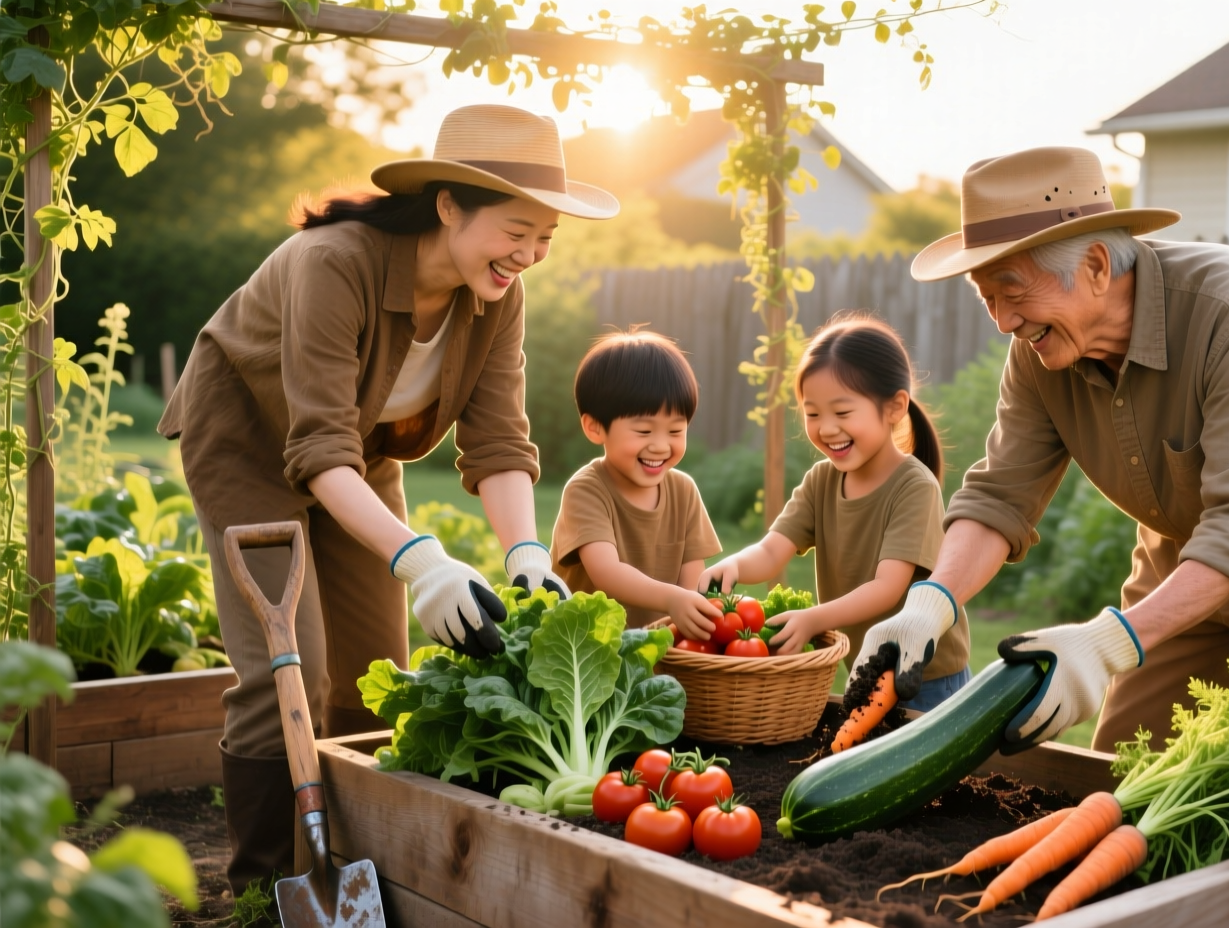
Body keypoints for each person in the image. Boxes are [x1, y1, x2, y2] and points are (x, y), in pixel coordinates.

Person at [158, 104, 618, 893]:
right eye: (517, 230)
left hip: (358, 452)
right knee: (283, 672)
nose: (531, 254)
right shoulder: (334, 260)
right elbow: (315, 445)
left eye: (546, 237)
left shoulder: (496, 296)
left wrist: (527, 554)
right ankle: (264, 888)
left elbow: (500, 440)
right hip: (247, 444)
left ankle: (360, 863)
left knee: (377, 669)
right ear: (449, 205)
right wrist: (422, 559)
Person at [850, 146, 1229, 747]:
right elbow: (1001, 496)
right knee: (1120, 763)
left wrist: (1107, 643)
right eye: (987, 298)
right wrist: (930, 602)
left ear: (1098, 266)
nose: (1002, 321)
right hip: (1182, 547)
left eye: (1012, 291)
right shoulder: (1039, 353)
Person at [699, 315, 970, 711]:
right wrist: (736, 566)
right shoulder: (821, 481)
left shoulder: (915, 486)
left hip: (926, 677)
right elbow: (773, 550)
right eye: (812, 414)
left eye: (842, 413)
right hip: (867, 668)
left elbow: (887, 588)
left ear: (894, 407)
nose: (826, 428)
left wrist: (813, 619)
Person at [552, 330, 724, 632]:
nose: (660, 445)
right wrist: (673, 599)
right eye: (644, 431)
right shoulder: (587, 490)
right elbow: (607, 572)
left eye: (675, 431)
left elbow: (692, 581)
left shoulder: (684, 492)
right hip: (590, 650)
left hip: (660, 653)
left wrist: (691, 614)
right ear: (595, 428)